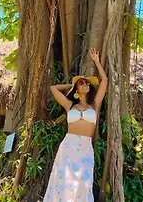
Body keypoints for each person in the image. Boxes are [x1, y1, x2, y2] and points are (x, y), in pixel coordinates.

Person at [44, 48, 108, 202]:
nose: (85, 84)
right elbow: (53, 88)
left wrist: (97, 62)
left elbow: (105, 81)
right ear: (77, 88)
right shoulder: (69, 105)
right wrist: (72, 85)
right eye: (82, 83)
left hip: (85, 147)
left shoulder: (94, 105)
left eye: (87, 83)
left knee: (83, 185)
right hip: (68, 146)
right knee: (63, 182)